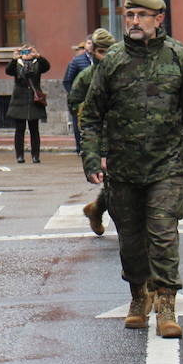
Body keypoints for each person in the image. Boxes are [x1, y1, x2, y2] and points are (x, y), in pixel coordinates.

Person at [79, 0, 183, 339]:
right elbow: (91, 114)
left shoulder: (179, 57)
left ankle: (167, 304)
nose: (135, 22)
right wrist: (92, 157)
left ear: (159, 19)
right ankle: (138, 297)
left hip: (167, 165)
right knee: (129, 238)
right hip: (124, 168)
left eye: (142, 15)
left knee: (163, 234)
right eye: (130, 16)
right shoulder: (112, 60)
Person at [67, 28, 115, 235]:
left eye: (110, 52)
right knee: (116, 187)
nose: (106, 57)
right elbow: (76, 105)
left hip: (125, 137)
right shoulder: (86, 77)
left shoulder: (122, 73)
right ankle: (98, 211)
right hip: (101, 139)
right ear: (93, 52)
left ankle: (96, 209)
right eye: (102, 52)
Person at [4, 43, 51, 164]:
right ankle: (19, 155)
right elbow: (8, 71)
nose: (26, 55)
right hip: (19, 98)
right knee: (19, 129)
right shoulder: (17, 63)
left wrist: (38, 55)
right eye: (24, 52)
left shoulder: (37, 63)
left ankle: (35, 155)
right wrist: (14, 59)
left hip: (34, 99)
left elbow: (47, 67)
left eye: (28, 52)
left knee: (34, 129)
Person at [62, 39, 93, 154]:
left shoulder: (101, 59)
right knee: (78, 124)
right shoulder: (77, 61)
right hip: (80, 99)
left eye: (93, 43)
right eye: (89, 43)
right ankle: (80, 147)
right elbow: (67, 81)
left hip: (96, 98)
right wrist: (74, 96)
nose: (91, 46)